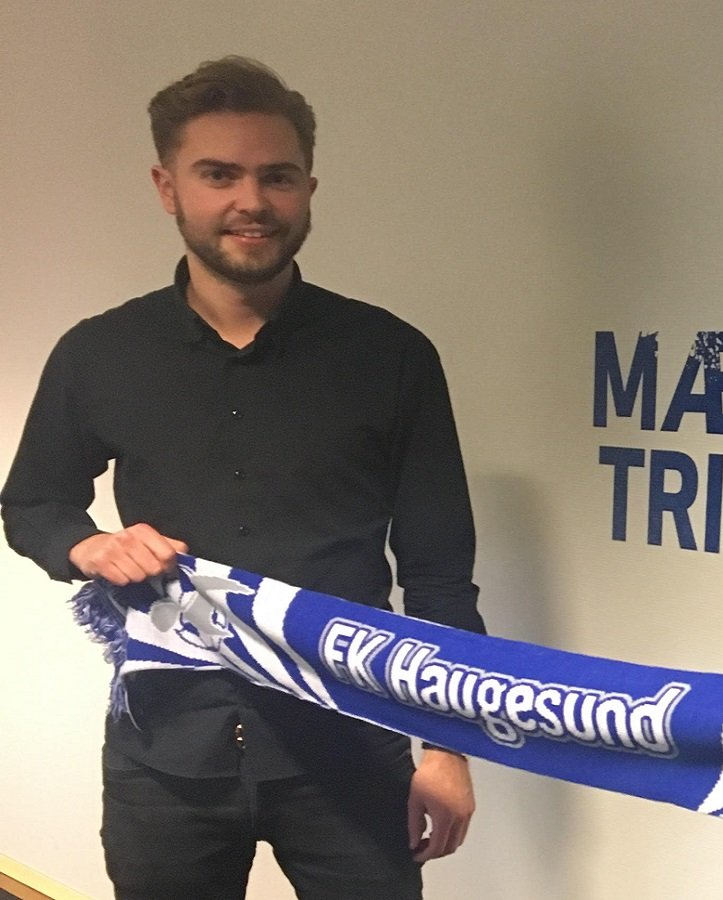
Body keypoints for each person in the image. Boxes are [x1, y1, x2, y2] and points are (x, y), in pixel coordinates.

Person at [1, 57, 483, 900]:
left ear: (308, 189)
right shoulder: (99, 354)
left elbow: (439, 571)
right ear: (167, 187)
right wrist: (88, 546)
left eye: (277, 177)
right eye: (219, 175)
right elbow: (32, 502)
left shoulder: (392, 356)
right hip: (164, 757)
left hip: (351, 749)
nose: (251, 201)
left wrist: (448, 748)